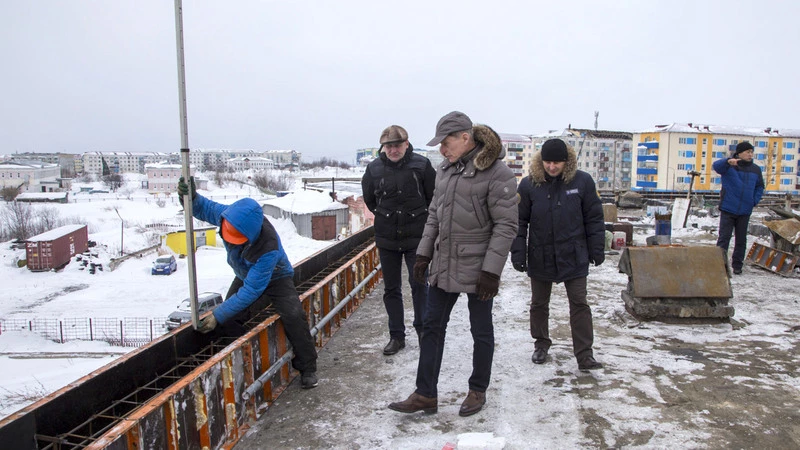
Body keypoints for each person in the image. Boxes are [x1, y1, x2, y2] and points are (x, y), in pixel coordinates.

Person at [388, 111, 518, 417]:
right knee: (432, 326)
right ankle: (425, 394)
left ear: (465, 137)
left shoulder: (497, 172)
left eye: (446, 143)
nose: (442, 150)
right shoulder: (445, 171)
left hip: (479, 268)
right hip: (444, 263)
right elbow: (434, 215)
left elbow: (506, 226)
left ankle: (477, 389)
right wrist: (423, 254)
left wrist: (491, 272)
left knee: (480, 330)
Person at [177, 177, 319, 389]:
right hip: (246, 274)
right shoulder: (231, 217)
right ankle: (241, 361)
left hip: (277, 277)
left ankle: (307, 367)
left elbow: (252, 290)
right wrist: (190, 197)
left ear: (250, 236)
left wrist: (217, 314)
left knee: (293, 315)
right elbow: (204, 208)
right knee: (228, 318)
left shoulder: (268, 248)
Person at [510, 138, 605, 372]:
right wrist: (518, 252)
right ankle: (541, 344)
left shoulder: (582, 181)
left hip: (574, 254)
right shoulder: (529, 184)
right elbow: (518, 222)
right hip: (540, 254)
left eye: (557, 162)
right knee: (539, 304)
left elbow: (594, 218)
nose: (551, 167)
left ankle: (584, 354)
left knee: (580, 304)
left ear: (566, 161)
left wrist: (597, 248)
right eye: (547, 162)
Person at [362, 125, 436, 355]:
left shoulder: (422, 165)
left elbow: (432, 197)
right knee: (391, 289)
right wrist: (387, 216)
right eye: (389, 146)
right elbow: (370, 200)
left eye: (397, 145)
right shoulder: (373, 169)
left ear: (406, 143)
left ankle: (423, 331)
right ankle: (396, 336)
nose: (393, 150)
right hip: (387, 238)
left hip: (417, 238)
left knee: (419, 285)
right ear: (383, 148)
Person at [712, 141, 764, 275]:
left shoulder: (756, 169)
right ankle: (720, 264)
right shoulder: (729, 166)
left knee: (741, 240)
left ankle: (737, 265)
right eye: (747, 152)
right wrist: (728, 161)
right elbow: (716, 166)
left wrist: (754, 200)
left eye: (751, 152)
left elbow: (760, 186)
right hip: (728, 208)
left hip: (745, 210)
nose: (750, 154)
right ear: (739, 153)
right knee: (724, 238)